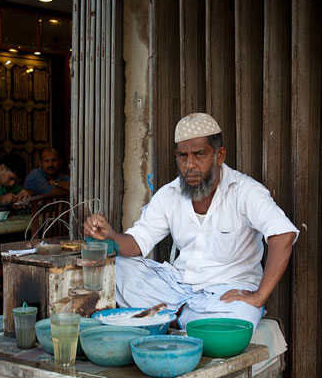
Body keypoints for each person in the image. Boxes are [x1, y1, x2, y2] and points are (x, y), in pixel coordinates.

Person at [84, 113, 299, 330]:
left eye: (199, 155)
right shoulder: (169, 194)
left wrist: (259, 296)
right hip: (175, 289)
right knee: (117, 268)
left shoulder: (245, 192)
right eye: (182, 156)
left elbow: (283, 234)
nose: (189, 165)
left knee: (238, 318)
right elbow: (137, 243)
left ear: (220, 155)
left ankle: (168, 317)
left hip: (224, 296)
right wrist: (110, 235)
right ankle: (185, 319)